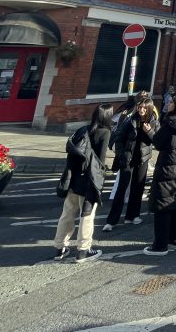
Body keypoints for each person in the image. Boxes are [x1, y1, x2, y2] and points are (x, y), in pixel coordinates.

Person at [54, 103, 112, 262]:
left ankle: (60, 247)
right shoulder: (105, 132)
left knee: (67, 213)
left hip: (74, 179)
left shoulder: (83, 130)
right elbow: (100, 160)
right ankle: (83, 250)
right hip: (89, 180)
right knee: (87, 215)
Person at [145, 91, 176, 256]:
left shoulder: (171, 123)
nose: (168, 103)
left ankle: (160, 245)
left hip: (168, 167)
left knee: (163, 205)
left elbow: (158, 142)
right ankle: (175, 239)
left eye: (172, 101)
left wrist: (149, 132)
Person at [103, 95, 157, 231]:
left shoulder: (153, 122)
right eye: (140, 107)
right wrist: (121, 154)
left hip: (142, 158)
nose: (141, 109)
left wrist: (149, 131)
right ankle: (111, 220)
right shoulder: (130, 120)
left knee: (138, 188)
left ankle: (132, 215)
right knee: (122, 188)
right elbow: (119, 138)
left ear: (149, 109)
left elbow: (156, 141)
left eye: (145, 107)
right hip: (128, 157)